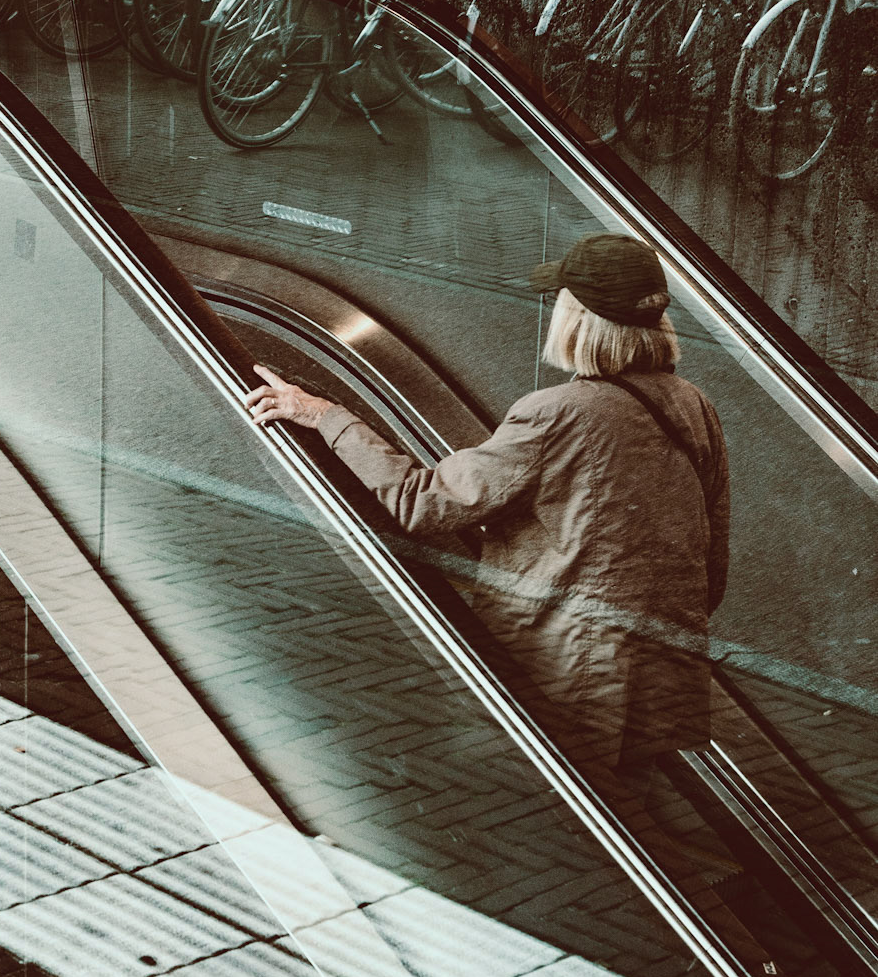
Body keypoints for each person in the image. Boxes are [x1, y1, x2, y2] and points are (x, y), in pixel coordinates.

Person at [244, 234, 731, 814]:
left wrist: (323, 415)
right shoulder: (692, 402)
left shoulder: (555, 413)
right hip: (663, 658)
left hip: (570, 666)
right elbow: (713, 550)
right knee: (631, 811)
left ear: (579, 319)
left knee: (563, 822)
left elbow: (419, 502)